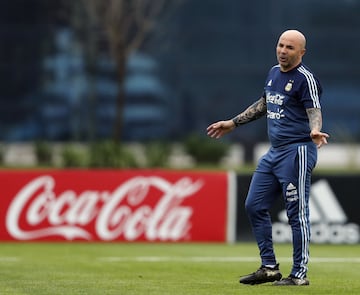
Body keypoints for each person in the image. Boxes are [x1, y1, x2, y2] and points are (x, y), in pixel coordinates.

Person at [207, 29, 329, 286]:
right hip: (274, 153)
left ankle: (299, 274)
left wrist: (315, 129)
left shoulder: (306, 79)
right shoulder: (274, 72)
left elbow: (314, 109)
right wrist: (233, 122)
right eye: (281, 45)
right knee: (254, 204)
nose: (283, 51)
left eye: (290, 48)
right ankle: (270, 267)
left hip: (297, 151)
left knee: (298, 214)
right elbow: (265, 103)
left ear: (301, 53)